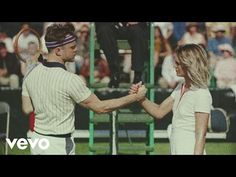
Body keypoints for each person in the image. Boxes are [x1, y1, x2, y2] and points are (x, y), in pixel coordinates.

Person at [21, 23, 147, 155]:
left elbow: (27, 109)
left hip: (37, 142)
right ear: (58, 50)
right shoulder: (70, 79)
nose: (76, 50)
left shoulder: (31, 73)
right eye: (72, 47)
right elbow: (100, 107)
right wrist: (135, 97)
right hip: (59, 146)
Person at [130, 44, 212, 155]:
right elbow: (159, 112)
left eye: (178, 63)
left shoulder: (201, 93)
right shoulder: (181, 86)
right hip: (176, 149)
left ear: (188, 64)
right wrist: (140, 98)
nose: (174, 66)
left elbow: (201, 135)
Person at [95, 22, 149, 88]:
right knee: (104, 30)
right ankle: (115, 73)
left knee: (138, 32)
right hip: (111, 26)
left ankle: (138, 75)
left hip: (134, 26)